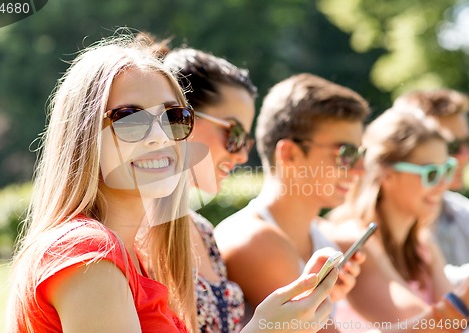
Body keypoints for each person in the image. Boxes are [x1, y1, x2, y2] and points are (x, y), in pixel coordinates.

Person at [5, 33, 339, 333]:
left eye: (173, 117)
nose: (159, 136)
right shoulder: (88, 252)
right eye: (130, 118)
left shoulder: (133, 258)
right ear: (84, 135)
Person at [215, 73, 369, 332]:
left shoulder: (319, 233)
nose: (360, 169)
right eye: (347, 154)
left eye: (361, 154)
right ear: (289, 154)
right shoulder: (255, 240)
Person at [326, 106, 469, 332]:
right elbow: (426, 324)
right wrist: (462, 302)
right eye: (431, 173)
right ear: (387, 174)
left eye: (447, 170)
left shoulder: (423, 243)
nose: (443, 184)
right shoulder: (352, 241)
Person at [163, 47, 255, 333]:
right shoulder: (124, 231)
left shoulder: (202, 229)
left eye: (245, 141)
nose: (241, 156)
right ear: (182, 117)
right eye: (234, 134)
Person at [393, 90, 469, 275]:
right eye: (451, 147)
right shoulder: (362, 231)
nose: (465, 156)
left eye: (467, 142)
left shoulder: (461, 212)